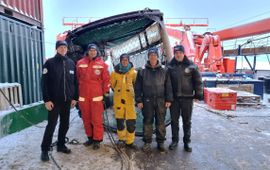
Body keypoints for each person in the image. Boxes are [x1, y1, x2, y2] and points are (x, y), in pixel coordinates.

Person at [40, 40, 77, 161]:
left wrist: (74, 98)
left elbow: (75, 83)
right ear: (57, 49)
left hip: (67, 101)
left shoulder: (71, 63)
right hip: (54, 102)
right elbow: (44, 83)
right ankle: (45, 149)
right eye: (60, 47)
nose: (63, 49)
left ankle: (61, 145)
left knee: (65, 124)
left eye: (64, 47)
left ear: (67, 49)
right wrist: (47, 100)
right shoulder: (49, 63)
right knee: (51, 125)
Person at [135, 47, 173, 152]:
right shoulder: (142, 71)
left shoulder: (164, 70)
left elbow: (168, 86)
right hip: (147, 101)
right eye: (151, 55)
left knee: (160, 122)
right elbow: (137, 87)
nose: (153, 57)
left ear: (157, 57)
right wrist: (139, 100)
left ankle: (160, 142)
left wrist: (169, 99)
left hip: (161, 100)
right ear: (148, 57)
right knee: (147, 121)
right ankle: (147, 142)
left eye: (154, 55)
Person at [167, 45, 203, 152]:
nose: (178, 55)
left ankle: (187, 142)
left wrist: (198, 95)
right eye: (176, 53)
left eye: (180, 53)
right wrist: (168, 98)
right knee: (174, 121)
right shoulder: (170, 66)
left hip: (187, 98)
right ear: (174, 54)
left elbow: (198, 81)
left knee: (187, 121)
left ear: (184, 53)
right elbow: (167, 84)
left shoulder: (192, 66)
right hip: (174, 99)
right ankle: (175, 141)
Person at [76, 43, 110, 150]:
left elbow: (106, 80)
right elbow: (76, 79)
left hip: (96, 96)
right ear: (87, 51)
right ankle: (90, 138)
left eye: (94, 50)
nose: (92, 52)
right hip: (83, 96)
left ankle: (97, 140)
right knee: (86, 118)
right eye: (90, 50)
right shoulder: (80, 63)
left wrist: (106, 93)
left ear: (97, 52)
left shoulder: (102, 64)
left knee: (96, 120)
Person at [110, 53, 137, 148]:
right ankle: (122, 138)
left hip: (130, 101)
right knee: (120, 122)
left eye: (126, 60)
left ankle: (130, 141)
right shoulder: (114, 73)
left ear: (129, 61)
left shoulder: (134, 73)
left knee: (131, 122)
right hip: (118, 101)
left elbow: (136, 85)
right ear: (120, 61)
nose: (124, 62)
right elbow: (112, 85)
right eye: (123, 60)